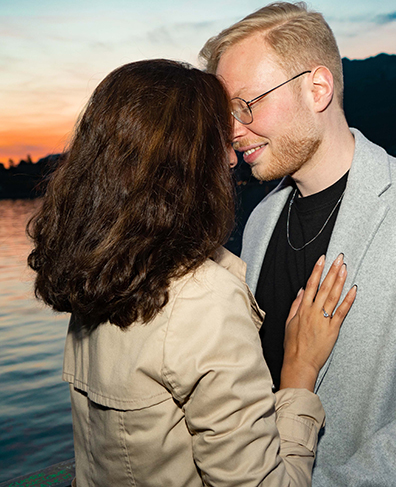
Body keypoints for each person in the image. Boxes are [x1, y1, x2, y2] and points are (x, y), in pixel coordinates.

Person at [27, 59, 355, 487]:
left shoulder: (101, 273)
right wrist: (299, 375)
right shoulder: (204, 300)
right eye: (221, 139)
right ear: (192, 161)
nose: (234, 157)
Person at [200, 1, 396, 486]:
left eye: (247, 104)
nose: (232, 130)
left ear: (317, 89)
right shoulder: (260, 218)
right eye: (226, 113)